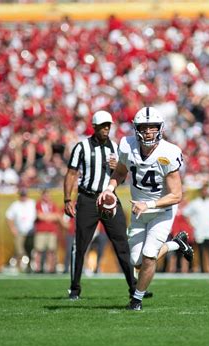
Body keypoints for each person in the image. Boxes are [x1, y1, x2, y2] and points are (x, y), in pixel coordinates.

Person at [98, 106, 193, 311]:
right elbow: (120, 173)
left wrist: (148, 204)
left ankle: (136, 300)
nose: (149, 131)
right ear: (136, 128)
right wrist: (108, 189)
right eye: (144, 127)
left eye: (153, 127)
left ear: (160, 128)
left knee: (150, 255)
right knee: (137, 261)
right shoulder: (127, 146)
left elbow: (176, 195)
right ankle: (177, 244)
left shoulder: (169, 152)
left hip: (161, 210)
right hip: (138, 211)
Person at [64, 110, 141, 301]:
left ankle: (135, 288)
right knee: (80, 245)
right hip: (88, 198)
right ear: (95, 127)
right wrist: (67, 199)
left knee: (122, 242)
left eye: (109, 125)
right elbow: (72, 173)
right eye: (103, 126)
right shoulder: (81, 147)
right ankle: (75, 288)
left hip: (109, 198)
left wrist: (117, 168)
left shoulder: (115, 147)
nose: (107, 129)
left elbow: (121, 177)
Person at [182, 183, 209, 273]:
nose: (205, 192)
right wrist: (192, 224)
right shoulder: (195, 203)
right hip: (199, 232)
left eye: (206, 191)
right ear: (201, 192)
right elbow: (185, 213)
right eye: (203, 191)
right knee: (200, 252)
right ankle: (203, 271)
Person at [5, 187, 36, 272]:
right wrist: (12, 228)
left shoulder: (32, 203)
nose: (23, 197)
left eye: (24, 195)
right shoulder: (15, 205)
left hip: (31, 232)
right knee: (19, 251)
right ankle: (19, 268)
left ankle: (30, 267)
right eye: (22, 195)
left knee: (31, 250)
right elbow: (8, 217)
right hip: (20, 231)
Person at [34, 188, 61, 273]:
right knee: (38, 250)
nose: (46, 197)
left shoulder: (53, 205)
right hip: (41, 231)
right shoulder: (38, 204)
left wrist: (45, 216)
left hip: (51, 231)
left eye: (48, 195)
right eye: (45, 195)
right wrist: (50, 216)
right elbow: (39, 216)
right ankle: (38, 268)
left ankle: (50, 268)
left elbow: (57, 216)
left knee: (51, 250)